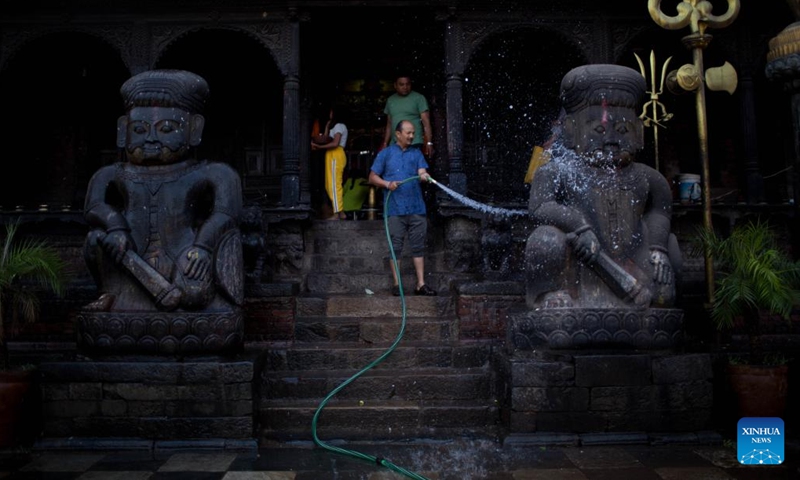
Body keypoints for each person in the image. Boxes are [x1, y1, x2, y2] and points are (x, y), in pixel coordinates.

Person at [83, 69, 243, 313]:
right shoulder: (112, 173)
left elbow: (226, 213)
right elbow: (94, 206)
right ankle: (111, 292)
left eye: (166, 129)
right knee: (96, 239)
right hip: (126, 255)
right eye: (139, 130)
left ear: (193, 129)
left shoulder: (211, 173)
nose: (151, 138)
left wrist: (203, 246)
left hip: (183, 253)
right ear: (123, 129)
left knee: (194, 294)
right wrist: (116, 226)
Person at [525, 64, 681, 310]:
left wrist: (657, 248)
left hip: (634, 255)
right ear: (571, 130)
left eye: (622, 130)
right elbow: (540, 207)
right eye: (598, 129)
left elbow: (660, 210)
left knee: (664, 296)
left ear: (639, 132)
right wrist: (578, 226)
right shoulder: (558, 171)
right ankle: (548, 294)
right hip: (579, 258)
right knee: (544, 239)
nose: (611, 139)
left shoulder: (648, 177)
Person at [369, 120, 437, 296]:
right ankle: (397, 284)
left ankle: (420, 284)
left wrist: (424, 175)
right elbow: (372, 177)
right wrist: (387, 183)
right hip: (394, 209)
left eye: (413, 133)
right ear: (397, 134)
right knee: (396, 247)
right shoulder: (385, 154)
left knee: (418, 247)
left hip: (416, 208)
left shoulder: (416, 153)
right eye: (408, 133)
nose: (412, 136)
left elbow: (422, 171)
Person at [380, 73, 433, 158]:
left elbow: (426, 122)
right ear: (395, 85)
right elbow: (389, 124)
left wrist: (429, 142)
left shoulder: (419, 98)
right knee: (396, 169)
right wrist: (385, 143)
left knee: (412, 168)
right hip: (395, 142)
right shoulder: (390, 100)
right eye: (401, 84)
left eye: (407, 84)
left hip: (414, 141)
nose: (405, 87)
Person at [312, 108, 349, 220]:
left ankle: (337, 213)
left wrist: (319, 147)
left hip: (335, 154)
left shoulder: (339, 126)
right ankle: (341, 212)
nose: (330, 113)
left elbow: (335, 143)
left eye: (332, 111)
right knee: (329, 185)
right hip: (332, 155)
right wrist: (327, 127)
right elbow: (326, 138)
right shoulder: (335, 126)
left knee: (334, 184)